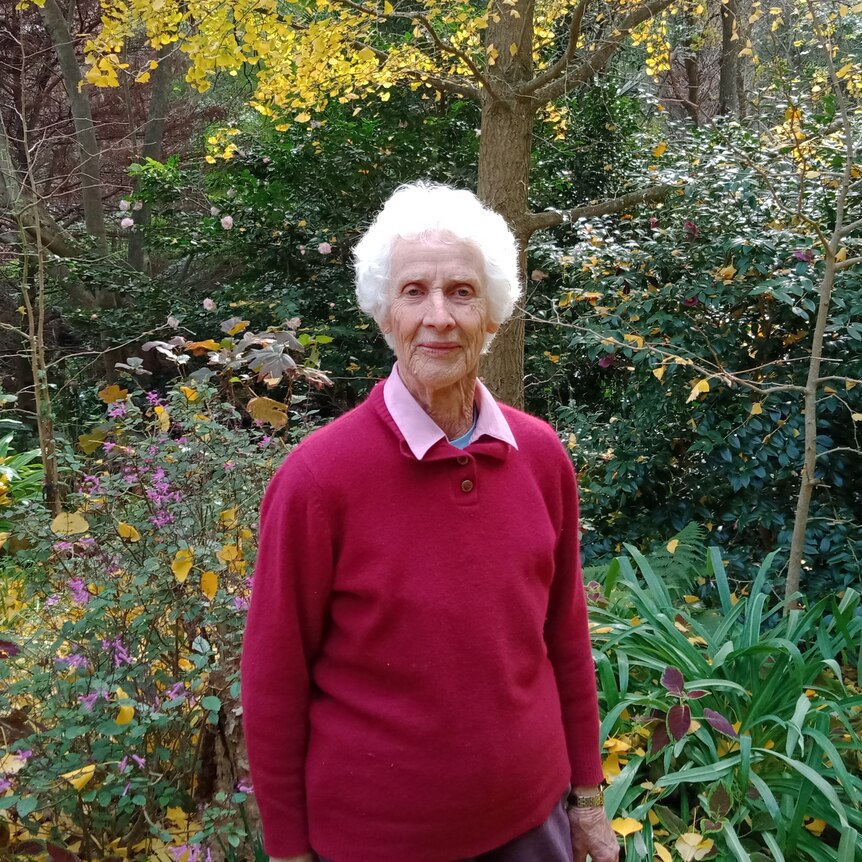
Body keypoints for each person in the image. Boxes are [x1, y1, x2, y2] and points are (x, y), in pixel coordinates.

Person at [241, 182, 619, 862]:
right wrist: (288, 851)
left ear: (493, 316)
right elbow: (274, 680)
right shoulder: (318, 482)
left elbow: (565, 636)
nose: (438, 316)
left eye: (462, 293)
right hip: (378, 843)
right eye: (415, 291)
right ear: (384, 314)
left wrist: (587, 801)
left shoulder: (539, 457)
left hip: (535, 829)